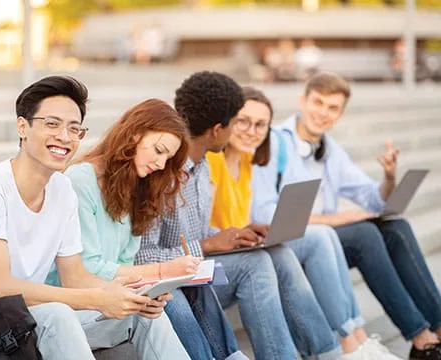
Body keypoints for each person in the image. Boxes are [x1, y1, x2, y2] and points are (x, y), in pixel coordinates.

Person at [0, 76, 189, 360]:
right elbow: (0, 287)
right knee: (58, 314)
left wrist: (129, 296)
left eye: (74, 129)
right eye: (52, 124)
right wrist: (97, 299)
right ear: (23, 126)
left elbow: (75, 276)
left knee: (141, 315)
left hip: (20, 322)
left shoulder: (63, 191)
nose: (64, 137)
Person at [137, 71, 346, 360]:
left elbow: (194, 232)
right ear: (218, 129)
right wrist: (208, 245)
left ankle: (328, 354)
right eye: (238, 121)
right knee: (257, 264)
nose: (242, 129)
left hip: (193, 271)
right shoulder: (162, 171)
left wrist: (234, 234)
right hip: (166, 281)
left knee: (269, 255)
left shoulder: (200, 168)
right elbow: (142, 256)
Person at [252, 71, 441, 360]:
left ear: (340, 114)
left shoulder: (330, 150)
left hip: (330, 242)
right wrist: (334, 219)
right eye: (319, 103)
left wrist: (389, 177)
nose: (323, 113)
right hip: (295, 242)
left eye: (333, 108)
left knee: (396, 227)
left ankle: (438, 327)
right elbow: (265, 214)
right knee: (363, 234)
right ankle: (420, 337)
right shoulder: (275, 142)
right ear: (303, 101)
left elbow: (372, 197)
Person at [45, 98, 247, 360]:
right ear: (135, 134)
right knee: (153, 313)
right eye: (159, 150)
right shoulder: (80, 180)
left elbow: (125, 262)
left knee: (160, 305)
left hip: (108, 299)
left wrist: (150, 286)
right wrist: (163, 270)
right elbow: (85, 269)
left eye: (168, 157)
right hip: (73, 305)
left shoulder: (134, 186)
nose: (162, 165)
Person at [208, 85, 400, 359]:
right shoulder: (213, 162)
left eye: (260, 124)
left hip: (244, 247)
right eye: (244, 122)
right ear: (227, 121)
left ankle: (350, 343)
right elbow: (204, 231)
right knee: (314, 239)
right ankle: (347, 346)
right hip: (221, 260)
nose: (252, 131)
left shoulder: (249, 161)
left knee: (319, 238)